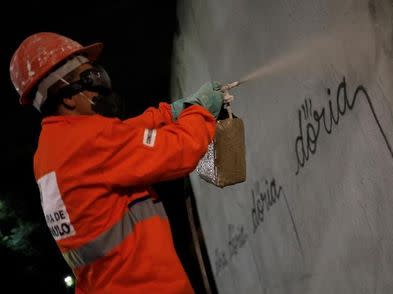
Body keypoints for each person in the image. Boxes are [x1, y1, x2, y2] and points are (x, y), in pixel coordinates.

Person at [9, 32, 231, 293]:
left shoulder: (51, 151)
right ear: (67, 97)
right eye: (90, 79)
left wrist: (170, 113)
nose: (102, 87)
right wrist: (200, 112)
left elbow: (121, 138)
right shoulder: (89, 143)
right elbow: (181, 149)